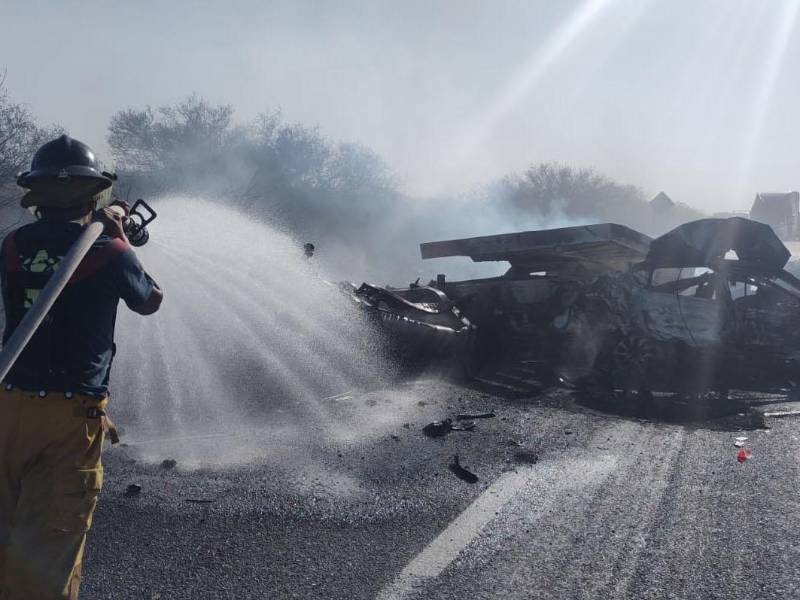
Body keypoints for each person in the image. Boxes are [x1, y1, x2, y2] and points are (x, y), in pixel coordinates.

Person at [0, 135, 163, 599]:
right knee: (48, 552)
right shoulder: (109, 251)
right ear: (95, 194)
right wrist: (118, 236)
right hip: (70, 418)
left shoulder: (12, 246)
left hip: (8, 406)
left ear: (36, 193)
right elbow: (150, 301)